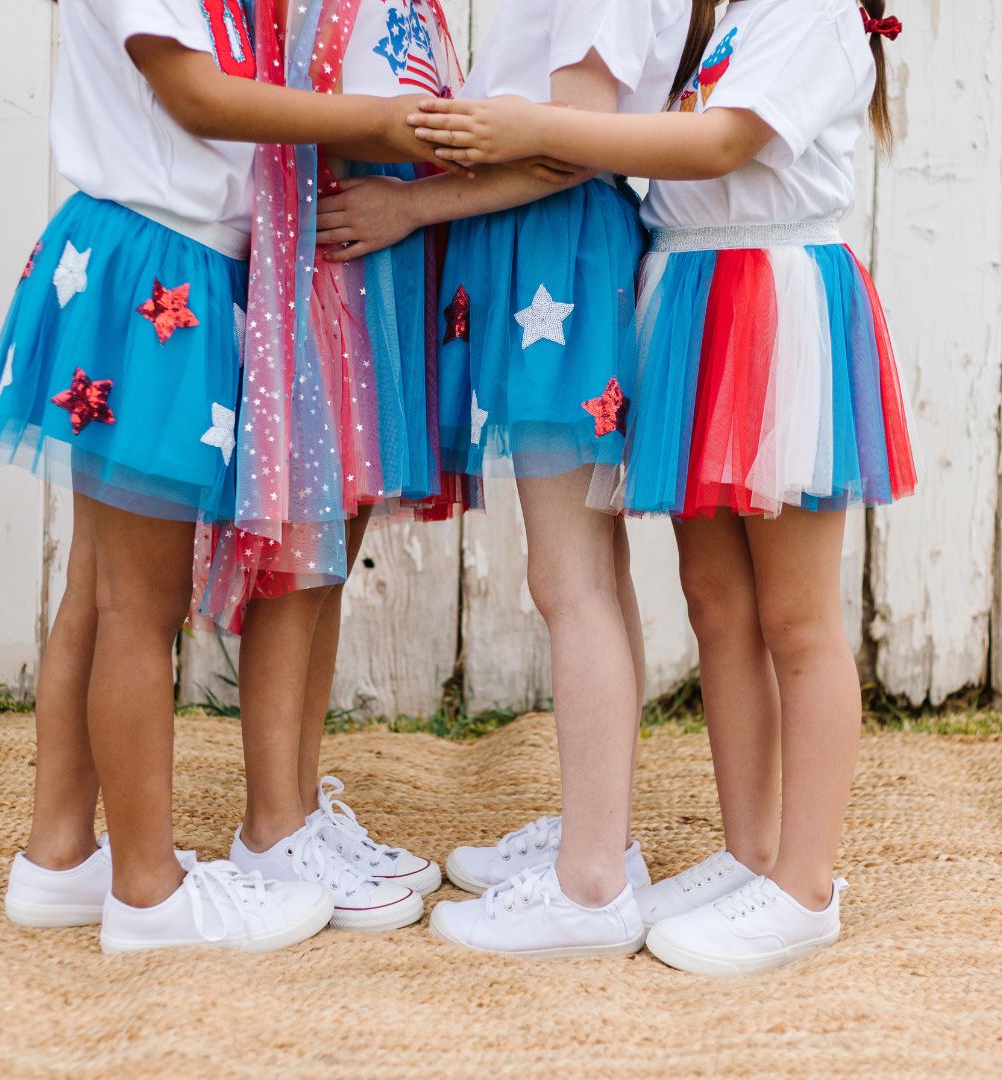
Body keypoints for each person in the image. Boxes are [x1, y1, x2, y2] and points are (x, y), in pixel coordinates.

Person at [411, 0, 916, 974]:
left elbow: (721, 142)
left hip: (773, 302)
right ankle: (749, 852)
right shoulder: (738, 14)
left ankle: (804, 886)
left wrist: (537, 130)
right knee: (719, 602)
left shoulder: (817, 13)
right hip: (697, 300)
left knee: (796, 621)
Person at [0, 0, 448, 954]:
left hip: (162, 263)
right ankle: (149, 894)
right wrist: (380, 124)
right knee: (134, 608)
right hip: (160, 277)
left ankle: (58, 855)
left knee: (100, 594)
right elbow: (196, 95)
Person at [316, 0, 695, 958]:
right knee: (591, 571)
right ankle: (601, 838)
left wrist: (412, 204)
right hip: (548, 249)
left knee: (570, 578)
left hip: (555, 251)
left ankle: (590, 885)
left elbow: (572, 144)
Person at [192, 0, 465, 934]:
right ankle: (271, 825)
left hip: (379, 272)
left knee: (330, 561)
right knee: (296, 560)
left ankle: (301, 805)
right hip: (318, 275)